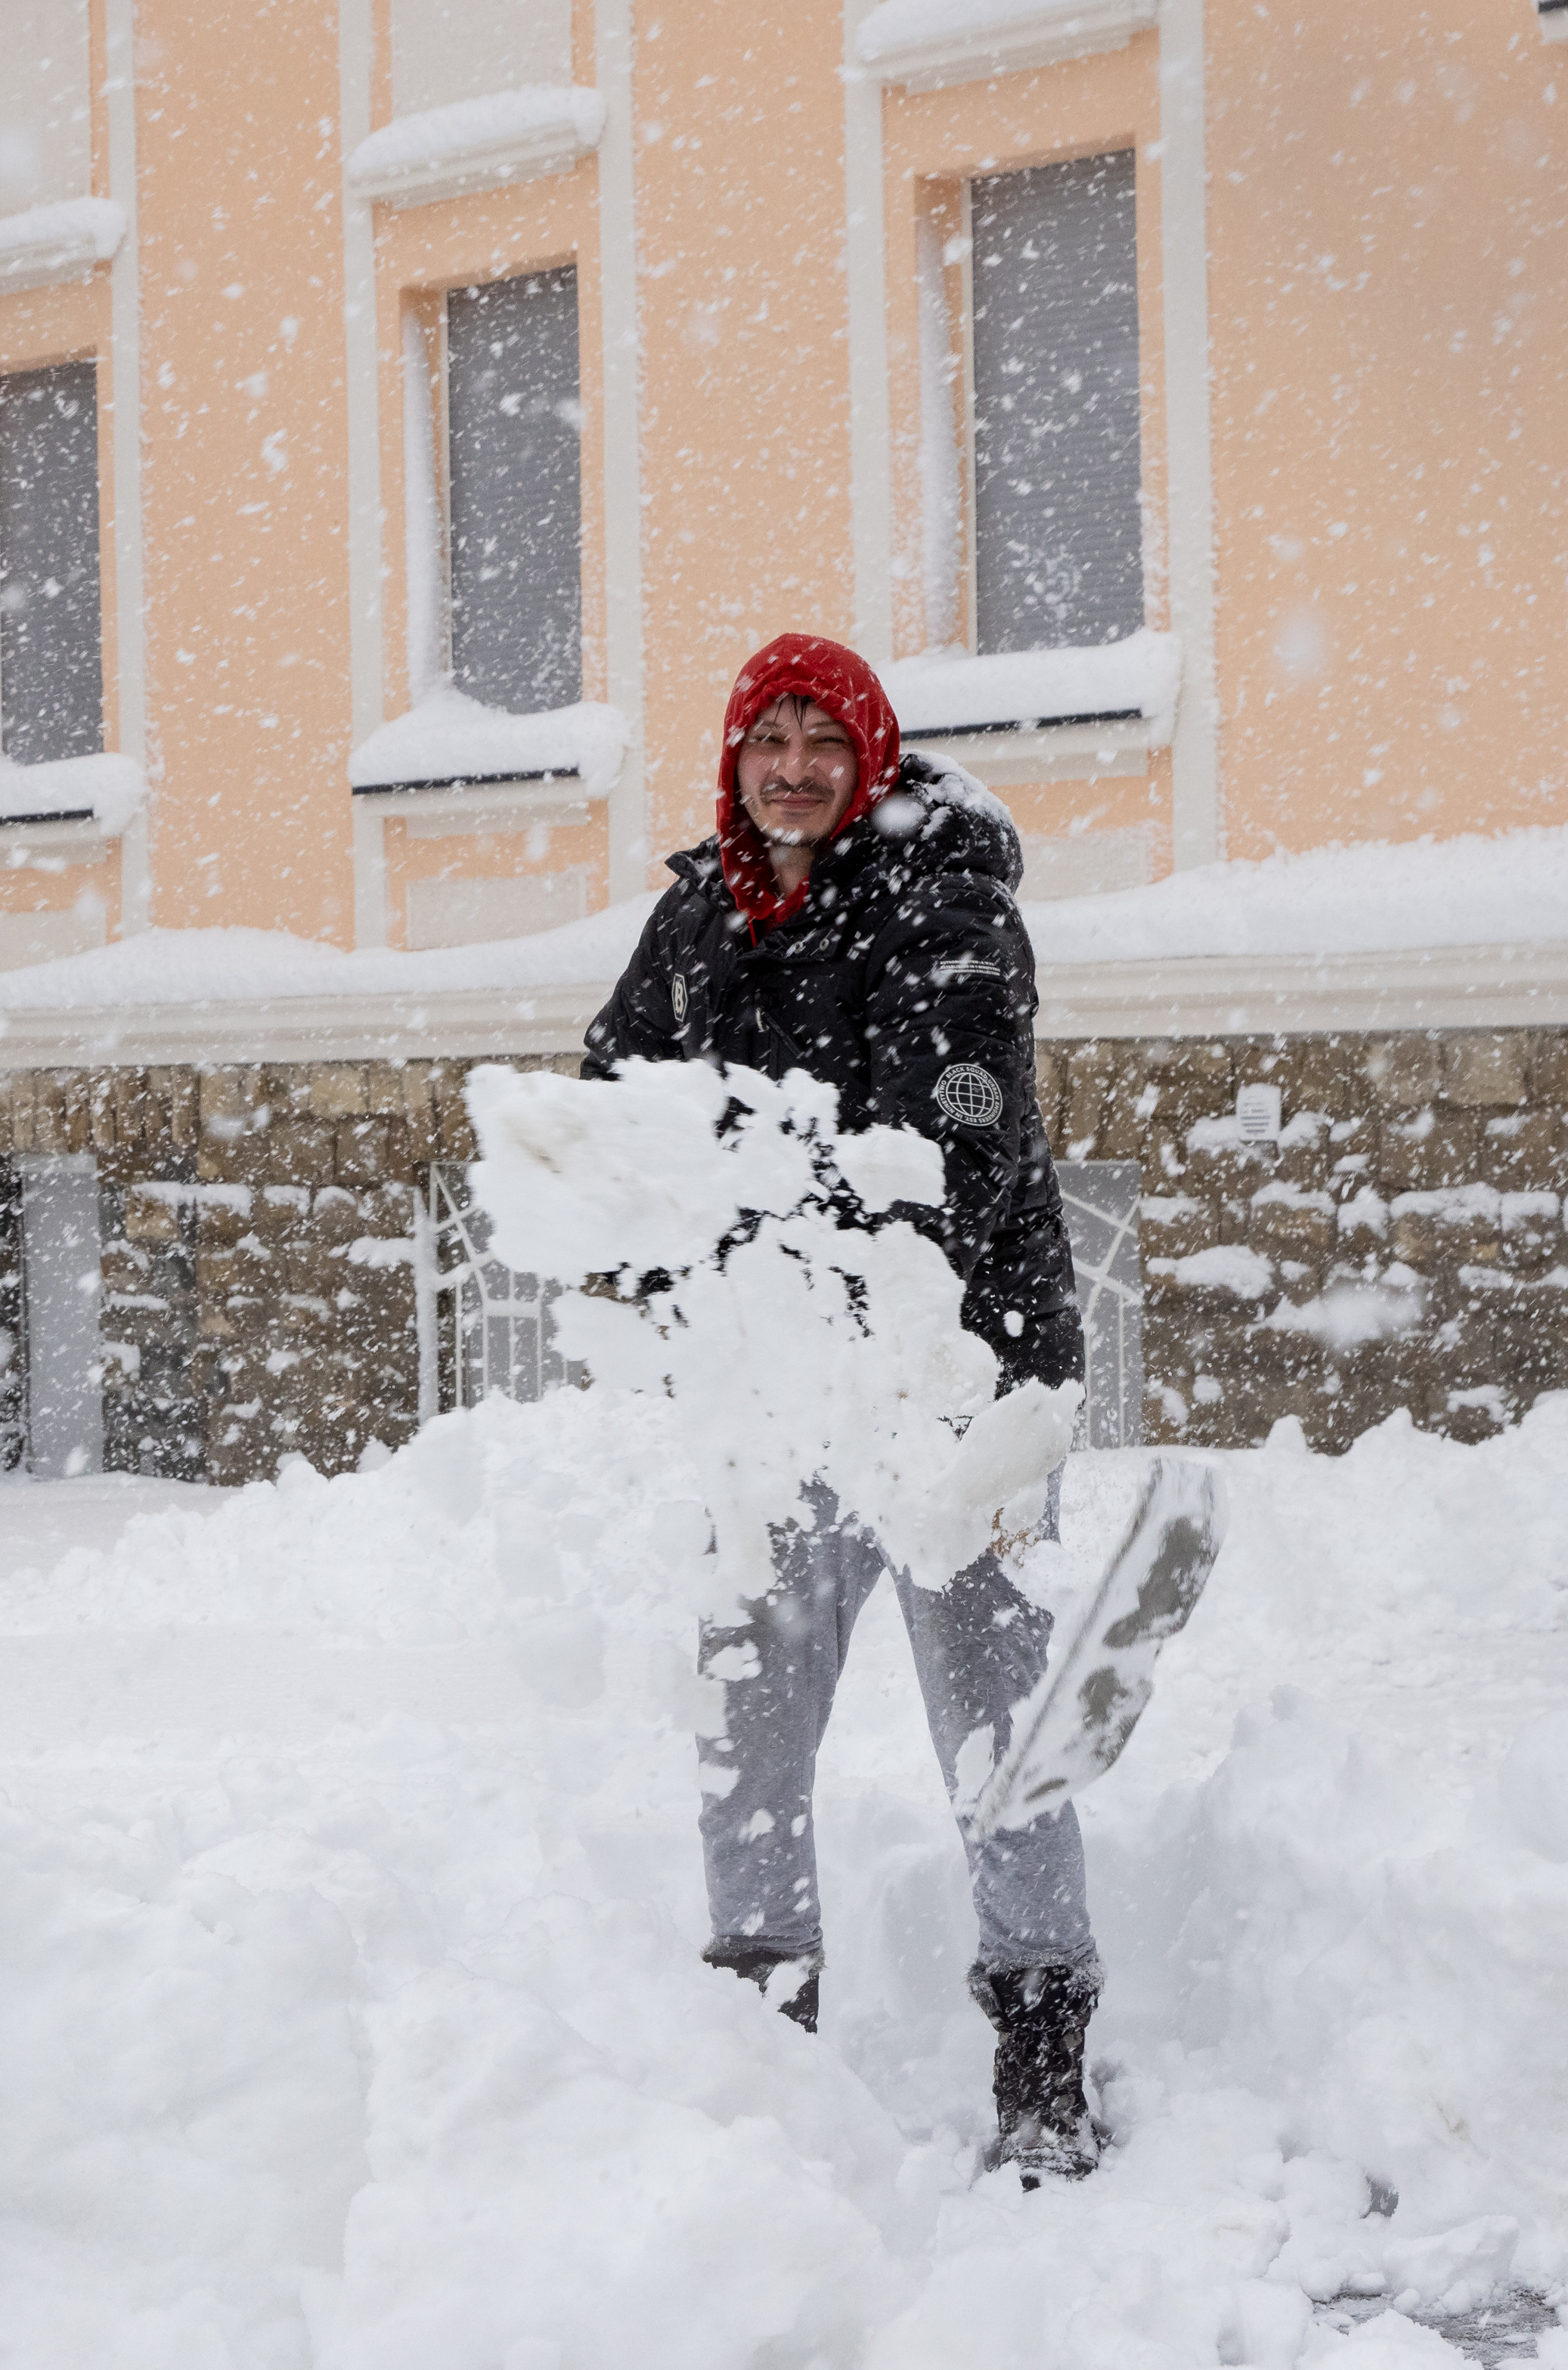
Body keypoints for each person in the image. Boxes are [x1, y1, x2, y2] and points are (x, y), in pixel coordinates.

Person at [581, 631, 1099, 2184]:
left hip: (954, 1384)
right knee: (747, 1708)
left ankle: (1044, 2063)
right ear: (735, 760)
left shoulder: (946, 901)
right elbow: (617, 1095)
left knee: (995, 1727)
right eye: (769, 741)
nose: (794, 769)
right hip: (784, 1390)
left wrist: (755, 1214)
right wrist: (638, 1220)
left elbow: (954, 1153)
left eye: (823, 742)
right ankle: (763, 2036)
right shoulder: (702, 911)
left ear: (867, 759)